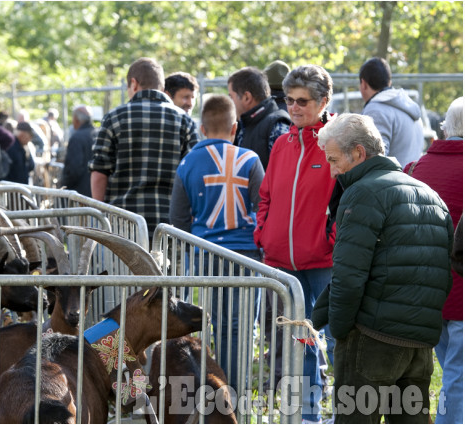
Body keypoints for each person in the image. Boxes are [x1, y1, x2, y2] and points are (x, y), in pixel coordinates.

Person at [312, 113, 453, 424]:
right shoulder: (431, 195)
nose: (333, 172)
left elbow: (349, 277)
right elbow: (445, 270)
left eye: (335, 160)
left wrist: (339, 330)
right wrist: (316, 317)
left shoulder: (362, 194)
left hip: (370, 340)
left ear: (359, 153)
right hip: (418, 342)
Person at [253, 64, 336, 423]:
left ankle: (347, 413)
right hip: (284, 263)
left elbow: (347, 200)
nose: (295, 107)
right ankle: (307, 416)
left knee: (336, 341)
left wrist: (330, 238)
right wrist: (264, 232)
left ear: (323, 101)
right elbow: (266, 195)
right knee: (299, 344)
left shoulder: (338, 142)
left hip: (325, 262)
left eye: (303, 100)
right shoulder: (283, 143)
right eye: (289, 99)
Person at [170, 94, 264, 392]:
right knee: (238, 326)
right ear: (235, 127)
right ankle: (236, 392)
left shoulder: (187, 163)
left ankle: (211, 388)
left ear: (202, 128)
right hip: (246, 256)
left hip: (206, 255)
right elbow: (264, 207)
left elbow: (178, 218)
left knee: (206, 323)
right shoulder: (249, 160)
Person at [89, 57, 200, 240]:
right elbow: (194, 174)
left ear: (134, 83)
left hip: (122, 227)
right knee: (167, 269)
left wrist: (99, 216)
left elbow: (100, 172)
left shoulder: (114, 118)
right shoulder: (184, 120)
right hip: (170, 227)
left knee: (122, 270)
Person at [403, 97, 463, 424]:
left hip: (425, 291)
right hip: (460, 291)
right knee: (458, 376)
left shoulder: (415, 168)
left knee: (452, 372)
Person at [359, 57, 424, 167]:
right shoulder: (408, 106)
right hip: (413, 179)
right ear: (389, 81)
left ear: (363, 83)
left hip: (391, 183)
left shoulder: (376, 110)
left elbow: (375, 160)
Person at [227, 66, 291, 170]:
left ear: (247, 97)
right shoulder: (242, 125)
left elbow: (287, 176)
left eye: (231, 97)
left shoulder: (277, 127)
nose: (229, 102)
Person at [61, 105, 96, 196]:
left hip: (80, 194)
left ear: (76, 120)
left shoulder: (76, 138)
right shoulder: (99, 134)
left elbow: (74, 169)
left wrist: (64, 184)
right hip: (98, 192)